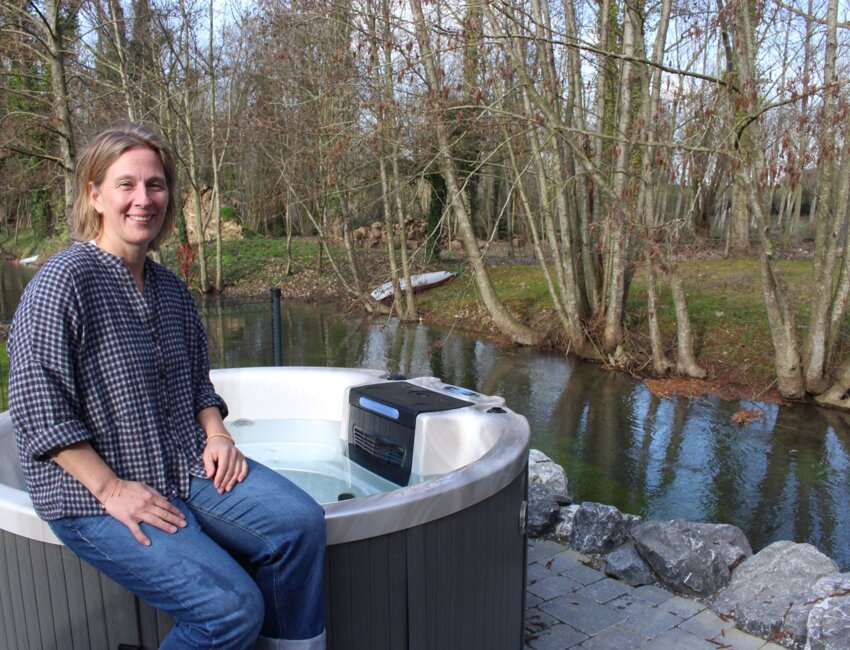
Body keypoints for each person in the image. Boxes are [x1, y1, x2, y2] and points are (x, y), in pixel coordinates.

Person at [7, 123, 326, 650]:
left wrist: (218, 434)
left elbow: (197, 382)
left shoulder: (170, 288)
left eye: (155, 185)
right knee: (229, 610)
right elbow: (38, 408)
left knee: (300, 524)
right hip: (92, 492)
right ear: (95, 194)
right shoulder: (64, 281)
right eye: (126, 184)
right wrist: (111, 489)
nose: (143, 199)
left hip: (179, 464)